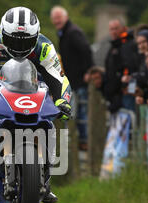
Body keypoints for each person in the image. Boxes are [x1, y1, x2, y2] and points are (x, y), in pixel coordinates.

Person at [0, 6, 72, 203]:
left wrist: (63, 101)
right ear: (3, 33)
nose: (19, 47)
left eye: (26, 41)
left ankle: (44, 175)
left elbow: (60, 79)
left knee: (49, 122)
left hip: (30, 86)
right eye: (13, 40)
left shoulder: (44, 47)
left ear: (35, 37)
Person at [50, 5, 94, 150]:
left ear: (66, 17)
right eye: (54, 19)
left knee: (80, 113)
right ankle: (77, 141)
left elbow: (86, 50)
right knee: (74, 111)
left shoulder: (73, 32)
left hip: (80, 80)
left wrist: (89, 70)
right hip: (72, 81)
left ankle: (83, 141)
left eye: (59, 18)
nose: (57, 21)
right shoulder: (63, 33)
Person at [104, 18, 140, 114]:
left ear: (124, 29)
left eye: (116, 28)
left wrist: (131, 89)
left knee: (130, 121)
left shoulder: (128, 45)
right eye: (111, 29)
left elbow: (132, 68)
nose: (114, 32)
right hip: (115, 95)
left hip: (126, 93)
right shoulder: (114, 46)